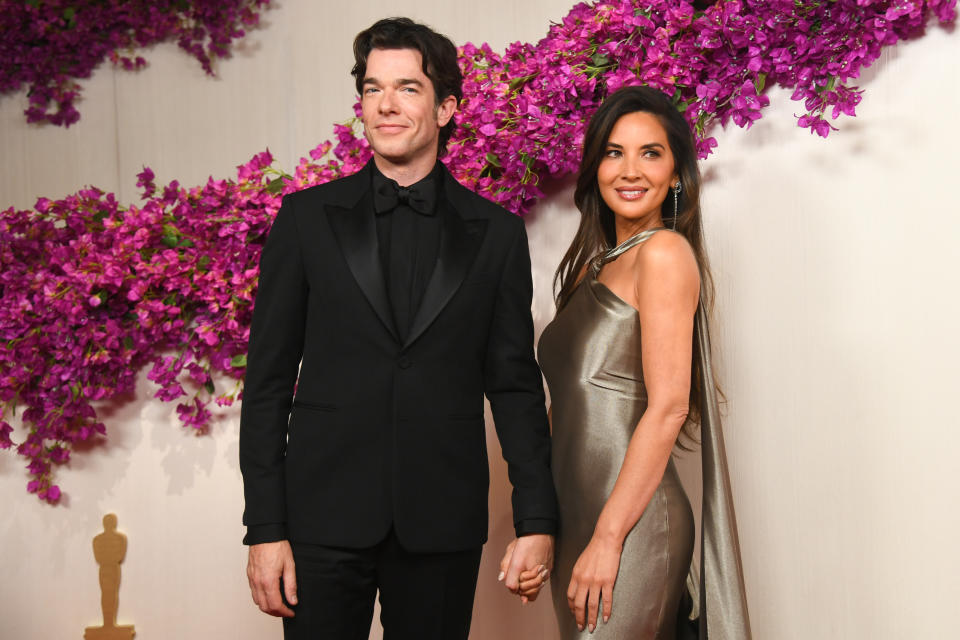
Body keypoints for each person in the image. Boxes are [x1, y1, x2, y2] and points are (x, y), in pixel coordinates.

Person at [238, 17, 557, 640]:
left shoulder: (495, 233)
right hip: (320, 521)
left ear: (446, 108)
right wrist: (266, 529)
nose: (385, 105)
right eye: (372, 89)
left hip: (442, 521)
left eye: (408, 88)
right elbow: (268, 382)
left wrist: (536, 519)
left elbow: (516, 386)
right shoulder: (306, 220)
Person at [522, 86, 752, 638]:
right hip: (579, 523)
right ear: (595, 167)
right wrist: (539, 525)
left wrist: (609, 538)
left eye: (651, 153)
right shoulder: (589, 270)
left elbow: (669, 407)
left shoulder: (665, 254)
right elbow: (569, 414)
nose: (630, 170)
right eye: (613, 152)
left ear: (676, 174)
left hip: (631, 525)